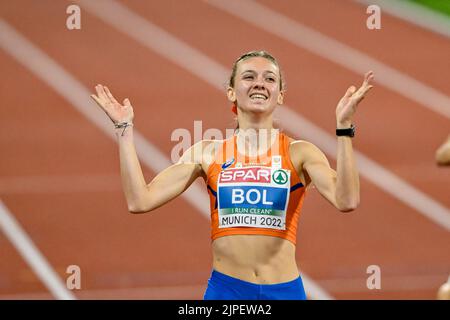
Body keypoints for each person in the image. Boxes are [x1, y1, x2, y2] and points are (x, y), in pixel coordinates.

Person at [90, 50, 374, 300]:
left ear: (281, 95)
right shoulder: (208, 152)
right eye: (249, 77)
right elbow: (140, 200)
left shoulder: (300, 153)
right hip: (227, 293)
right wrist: (124, 130)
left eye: (270, 79)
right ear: (231, 92)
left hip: (284, 292)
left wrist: (344, 128)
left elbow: (346, 199)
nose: (260, 83)